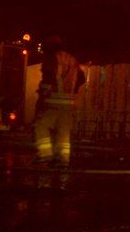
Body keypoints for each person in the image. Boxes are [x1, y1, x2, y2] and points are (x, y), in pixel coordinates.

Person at [33, 35, 85, 167]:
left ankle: (44, 154)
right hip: (68, 103)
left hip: (53, 100)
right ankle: (62, 158)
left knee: (40, 126)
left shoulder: (52, 58)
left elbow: (49, 77)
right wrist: (72, 91)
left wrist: (44, 93)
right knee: (63, 130)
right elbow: (81, 78)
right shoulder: (72, 59)